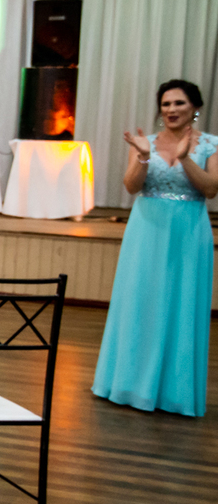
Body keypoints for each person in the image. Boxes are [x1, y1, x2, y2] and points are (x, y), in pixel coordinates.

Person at [93, 80, 217, 417]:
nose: (172, 110)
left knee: (182, 302)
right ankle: (127, 384)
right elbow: (132, 185)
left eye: (179, 103)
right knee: (139, 299)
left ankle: (173, 392)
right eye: (165, 104)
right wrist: (144, 157)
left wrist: (186, 159)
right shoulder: (143, 142)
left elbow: (210, 190)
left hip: (189, 230)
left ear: (195, 107)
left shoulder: (210, 143)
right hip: (146, 228)